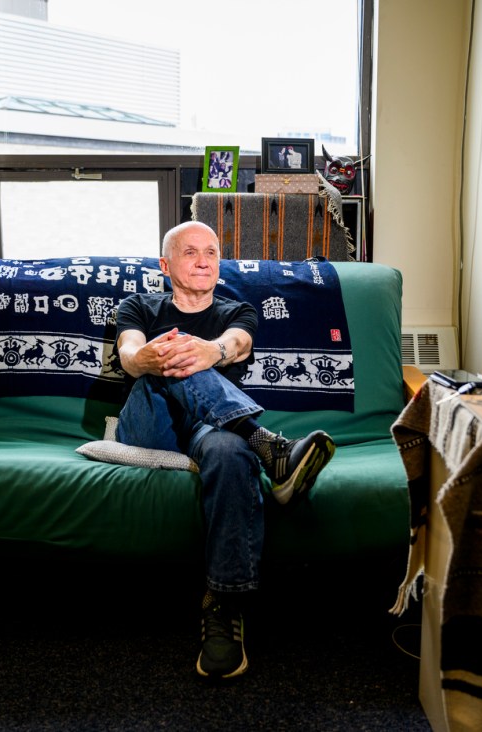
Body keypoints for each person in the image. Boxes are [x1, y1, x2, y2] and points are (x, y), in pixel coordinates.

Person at [114, 221, 336, 681]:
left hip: (208, 429)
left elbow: (238, 344)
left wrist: (210, 350)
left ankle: (223, 607)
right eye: (190, 251)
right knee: (171, 353)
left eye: (211, 252)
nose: (203, 260)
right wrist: (147, 359)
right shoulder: (140, 305)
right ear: (165, 264)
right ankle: (270, 446)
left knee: (231, 452)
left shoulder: (237, 310)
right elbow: (129, 351)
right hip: (148, 422)